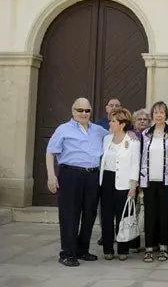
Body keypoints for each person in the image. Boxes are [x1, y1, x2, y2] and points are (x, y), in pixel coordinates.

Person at [46, 98, 109, 267]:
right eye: (80, 110)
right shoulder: (63, 129)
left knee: (89, 214)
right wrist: (51, 176)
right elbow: (51, 152)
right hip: (70, 174)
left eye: (87, 111)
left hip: (93, 176)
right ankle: (67, 253)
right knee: (70, 214)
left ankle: (82, 249)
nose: (84, 114)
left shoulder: (98, 130)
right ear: (73, 111)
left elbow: (116, 134)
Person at [139, 101, 168, 263]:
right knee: (150, 215)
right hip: (149, 181)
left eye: (162, 112)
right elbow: (140, 156)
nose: (158, 115)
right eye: (156, 112)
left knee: (165, 215)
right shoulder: (145, 134)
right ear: (152, 115)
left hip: (167, 181)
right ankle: (149, 247)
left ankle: (164, 246)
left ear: (166, 115)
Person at [99, 108, 140, 261]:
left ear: (122, 124)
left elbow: (135, 164)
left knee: (123, 217)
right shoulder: (106, 139)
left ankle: (123, 249)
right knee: (106, 216)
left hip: (124, 182)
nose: (110, 123)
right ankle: (108, 248)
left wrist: (133, 186)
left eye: (113, 121)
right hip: (107, 181)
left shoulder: (133, 141)